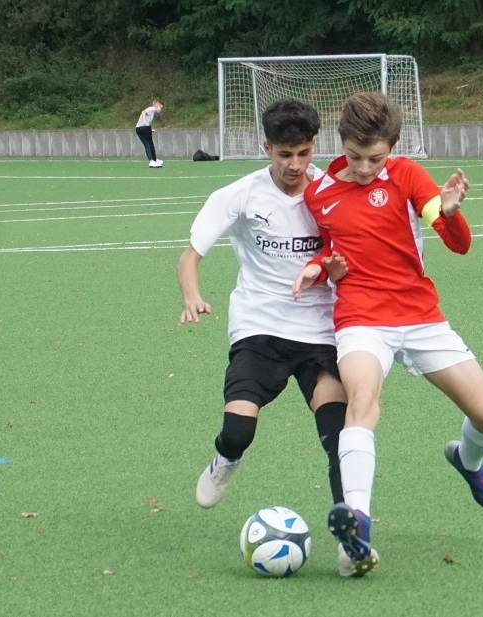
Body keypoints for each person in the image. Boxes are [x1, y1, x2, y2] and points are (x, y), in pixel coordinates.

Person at [293, 92, 483, 578]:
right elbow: (330, 248)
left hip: (420, 316)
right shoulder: (319, 192)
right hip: (361, 317)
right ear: (341, 143)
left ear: (392, 148)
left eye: (376, 158)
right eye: (355, 156)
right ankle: (358, 524)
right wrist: (320, 267)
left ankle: (469, 462)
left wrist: (448, 212)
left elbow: (459, 244)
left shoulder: (407, 175)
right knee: (362, 400)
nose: (365, 168)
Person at [177, 99, 353, 573]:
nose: (295, 165)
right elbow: (189, 257)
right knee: (239, 431)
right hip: (259, 326)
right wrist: (192, 296)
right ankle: (225, 459)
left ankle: (350, 539)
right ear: (266, 148)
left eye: (304, 153)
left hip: (320, 331)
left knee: (339, 439)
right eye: (285, 154)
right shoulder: (239, 195)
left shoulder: (331, 193)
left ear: (314, 146)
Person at [136, 99, 163, 168]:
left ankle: (154, 160)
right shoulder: (152, 108)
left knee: (149, 144)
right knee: (148, 144)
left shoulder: (152, 112)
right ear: (157, 106)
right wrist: (144, 122)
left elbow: (146, 120)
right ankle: (152, 161)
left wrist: (150, 129)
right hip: (143, 128)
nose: (160, 109)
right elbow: (143, 112)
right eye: (160, 107)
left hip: (140, 128)